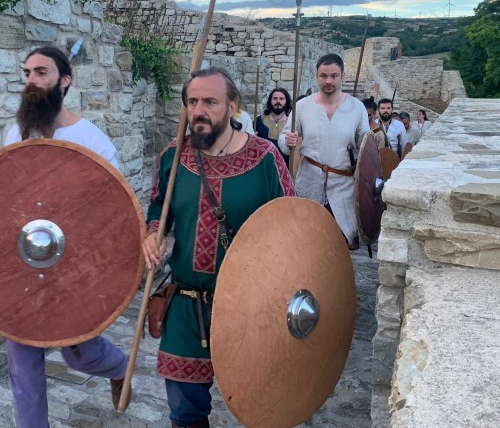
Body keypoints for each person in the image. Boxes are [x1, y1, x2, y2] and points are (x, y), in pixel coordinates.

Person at [142, 67, 295, 428]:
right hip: (186, 302)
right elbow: (159, 204)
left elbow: (291, 227)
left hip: (249, 308)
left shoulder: (265, 158)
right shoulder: (174, 155)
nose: (199, 110)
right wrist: (153, 233)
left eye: (210, 102)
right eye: (192, 101)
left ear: (232, 106)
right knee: (185, 412)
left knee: (259, 405)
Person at [4, 46, 129, 428]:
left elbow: (114, 214)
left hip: (76, 270)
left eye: (41, 72)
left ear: (65, 80)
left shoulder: (92, 142)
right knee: (22, 364)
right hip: (25, 266)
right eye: (27, 73)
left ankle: (119, 368)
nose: (31, 80)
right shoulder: (15, 135)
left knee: (80, 354)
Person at [278, 53, 369, 249]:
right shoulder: (302, 106)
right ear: (317, 76)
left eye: (334, 76)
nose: (329, 81)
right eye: (324, 76)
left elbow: (366, 147)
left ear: (343, 75)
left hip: (343, 185)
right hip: (310, 182)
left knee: (341, 245)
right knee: (306, 242)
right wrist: (287, 140)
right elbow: (284, 140)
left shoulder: (357, 107)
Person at [255, 87, 292, 162]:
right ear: (270, 101)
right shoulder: (258, 121)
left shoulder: (292, 124)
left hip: (285, 165)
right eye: (275, 98)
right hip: (263, 164)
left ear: (286, 101)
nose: (278, 101)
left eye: (281, 99)